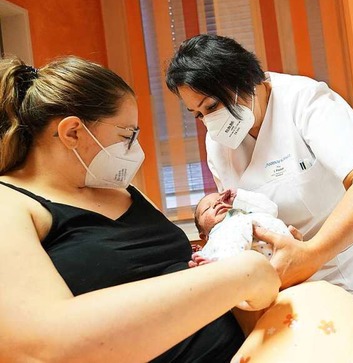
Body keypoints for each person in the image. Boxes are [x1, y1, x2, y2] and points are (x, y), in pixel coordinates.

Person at [0, 56, 280, 362]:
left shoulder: (123, 193)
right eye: (126, 135)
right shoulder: (10, 204)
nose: (136, 149)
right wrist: (243, 275)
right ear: (72, 133)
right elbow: (40, 347)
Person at [165, 34, 353, 323]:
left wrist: (312, 254)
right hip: (286, 280)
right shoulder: (218, 142)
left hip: (351, 264)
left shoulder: (306, 101)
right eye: (197, 114)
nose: (208, 121)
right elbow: (238, 220)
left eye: (211, 106)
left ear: (245, 79)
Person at [191, 188, 294, 264]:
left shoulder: (244, 214)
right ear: (204, 236)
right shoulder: (222, 231)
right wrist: (204, 252)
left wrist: (239, 197)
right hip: (263, 266)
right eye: (207, 208)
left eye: (221, 200)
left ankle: (219, 268)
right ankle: (218, 267)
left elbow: (271, 209)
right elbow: (223, 246)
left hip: (291, 251)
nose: (217, 203)